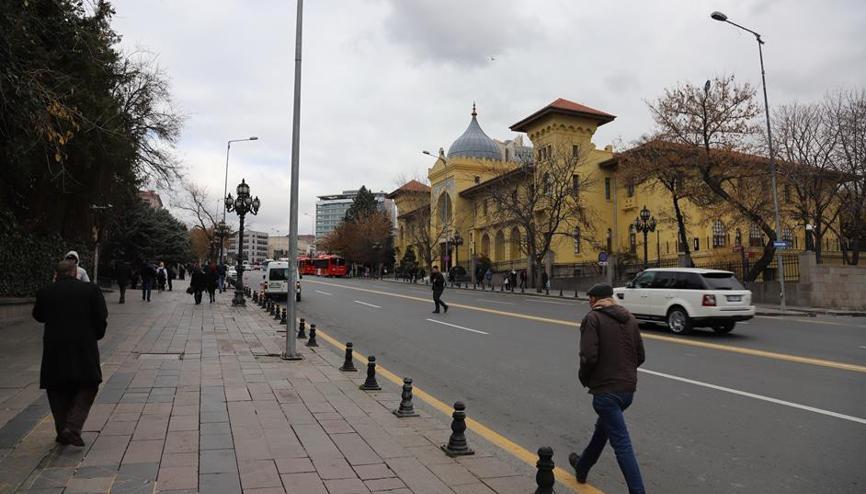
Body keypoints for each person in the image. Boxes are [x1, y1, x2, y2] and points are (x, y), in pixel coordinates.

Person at [569, 283, 646, 493]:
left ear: (594, 300)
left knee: (621, 444)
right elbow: (641, 356)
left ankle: (638, 491)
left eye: (589, 299)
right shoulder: (629, 318)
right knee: (602, 431)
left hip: (606, 391)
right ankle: (582, 466)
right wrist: (625, 373)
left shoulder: (593, 319)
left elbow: (588, 357)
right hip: (627, 391)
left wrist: (585, 378)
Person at [32, 260, 108, 447]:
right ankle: (72, 428)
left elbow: (38, 316)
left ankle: (62, 430)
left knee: (57, 387)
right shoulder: (90, 290)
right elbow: (101, 317)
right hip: (83, 345)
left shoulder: (46, 291)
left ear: (56, 274)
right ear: (75, 272)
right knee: (89, 383)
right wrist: (96, 334)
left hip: (54, 347)